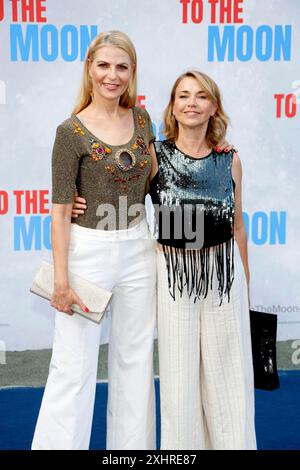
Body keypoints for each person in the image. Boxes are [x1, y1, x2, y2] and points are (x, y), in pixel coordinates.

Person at [73, 70, 256, 450]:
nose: (192, 103)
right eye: (183, 96)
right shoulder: (156, 154)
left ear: (214, 106)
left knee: (230, 380)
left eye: (201, 96)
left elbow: (238, 226)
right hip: (173, 276)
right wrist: (76, 200)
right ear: (173, 107)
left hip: (224, 274)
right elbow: (119, 197)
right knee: (178, 381)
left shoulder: (231, 159)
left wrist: (245, 284)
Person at [31, 31, 157, 450]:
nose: (112, 75)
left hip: (139, 248)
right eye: (103, 65)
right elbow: (61, 211)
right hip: (88, 253)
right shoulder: (70, 132)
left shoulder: (142, 120)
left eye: (122, 66)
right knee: (73, 365)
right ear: (89, 68)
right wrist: (61, 282)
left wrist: (212, 148)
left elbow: (156, 175)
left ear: (132, 72)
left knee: (136, 362)